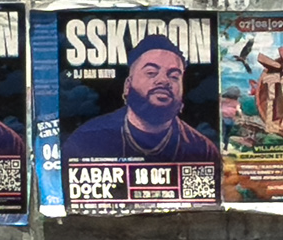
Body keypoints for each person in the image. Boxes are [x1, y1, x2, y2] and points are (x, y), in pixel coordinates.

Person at [61, 34, 218, 162]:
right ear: (127, 85)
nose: (163, 80)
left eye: (174, 76)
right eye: (151, 72)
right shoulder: (86, 140)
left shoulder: (204, 151)